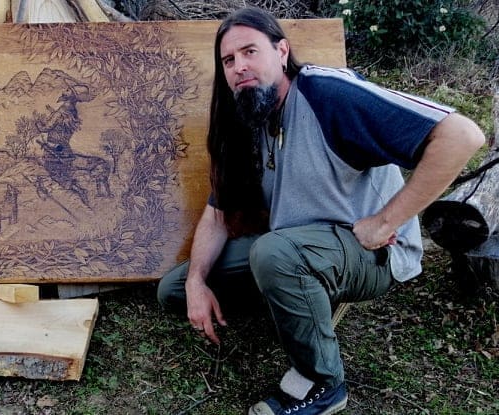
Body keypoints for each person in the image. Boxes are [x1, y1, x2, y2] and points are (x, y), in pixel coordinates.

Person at [156, 7, 485, 415]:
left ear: (281, 51)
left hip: (370, 252)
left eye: (250, 51)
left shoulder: (327, 94)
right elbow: (219, 212)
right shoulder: (245, 116)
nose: (239, 66)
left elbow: (461, 136)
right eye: (228, 60)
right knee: (175, 289)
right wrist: (196, 281)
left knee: (274, 254)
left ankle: (322, 385)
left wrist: (384, 222)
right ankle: (295, 303)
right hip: (296, 247)